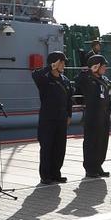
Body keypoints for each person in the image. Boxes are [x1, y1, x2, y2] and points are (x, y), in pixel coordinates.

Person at [31, 50, 73, 183]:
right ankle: (46, 176)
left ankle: (56, 173)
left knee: (60, 148)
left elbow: (69, 99)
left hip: (61, 118)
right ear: (55, 63)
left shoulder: (65, 80)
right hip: (48, 118)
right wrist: (50, 67)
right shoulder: (44, 79)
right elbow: (35, 75)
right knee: (47, 147)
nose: (64, 65)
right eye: (62, 62)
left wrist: (69, 114)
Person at [76, 54, 111, 177]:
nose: (105, 68)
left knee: (102, 142)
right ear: (96, 66)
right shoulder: (88, 79)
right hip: (92, 116)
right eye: (103, 66)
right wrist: (89, 70)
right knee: (91, 142)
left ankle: (98, 165)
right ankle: (90, 168)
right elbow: (79, 80)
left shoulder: (104, 80)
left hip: (104, 116)